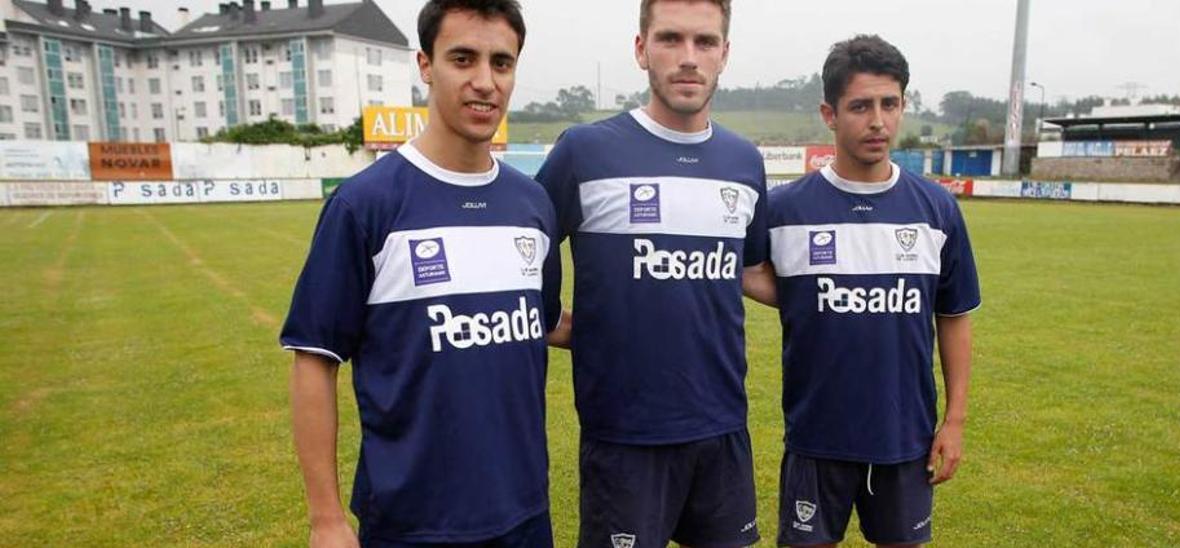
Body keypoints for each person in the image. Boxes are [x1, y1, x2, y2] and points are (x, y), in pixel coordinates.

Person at [281, 1, 567, 546]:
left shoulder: (533, 205)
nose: (485, 82)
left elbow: (546, 322)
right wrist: (326, 517)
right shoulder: (364, 205)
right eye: (463, 58)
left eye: (501, 63)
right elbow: (315, 359)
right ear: (425, 65)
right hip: (412, 523)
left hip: (525, 514)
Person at [534, 0, 768, 546]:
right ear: (641, 49)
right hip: (625, 435)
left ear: (725, 54)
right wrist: (554, 320)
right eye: (670, 39)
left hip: (723, 427)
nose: (689, 58)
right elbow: (523, 241)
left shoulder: (743, 161)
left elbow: (750, 268)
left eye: (705, 42)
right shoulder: (585, 151)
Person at [742, 35, 981, 547]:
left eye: (889, 104)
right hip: (815, 439)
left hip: (905, 440)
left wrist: (954, 421)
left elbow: (954, 315)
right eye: (860, 106)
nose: (878, 121)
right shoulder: (784, 209)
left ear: (903, 106)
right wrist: (807, 294)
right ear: (829, 114)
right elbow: (746, 272)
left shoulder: (936, 211)